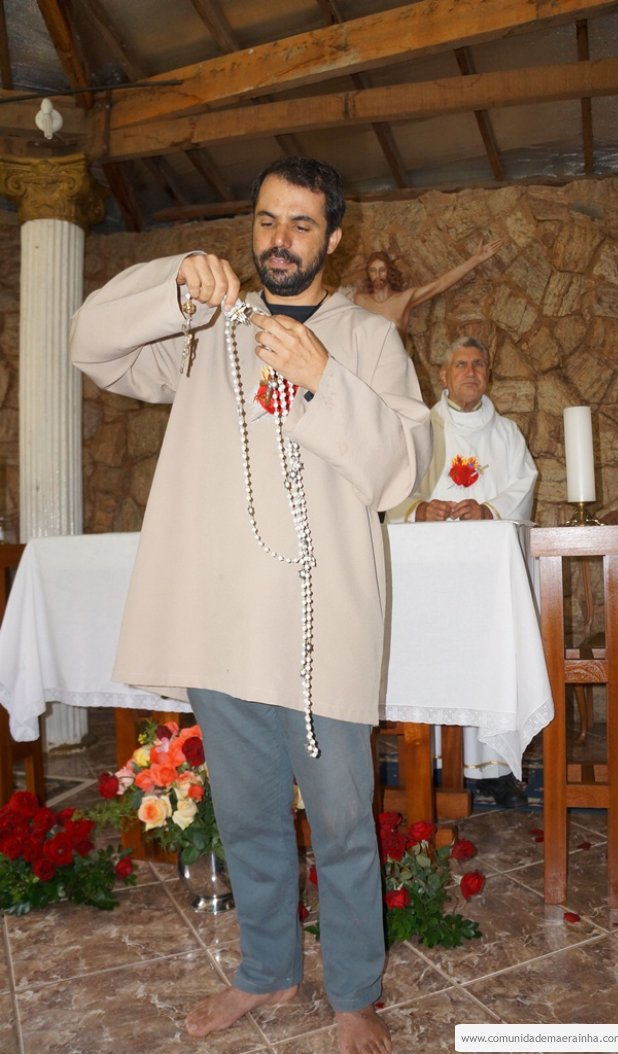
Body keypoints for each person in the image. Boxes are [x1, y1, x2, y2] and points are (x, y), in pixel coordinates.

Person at [70, 156, 432, 1054]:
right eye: (267, 220)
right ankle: (267, 970)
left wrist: (323, 376)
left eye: (301, 224)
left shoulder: (368, 341)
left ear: (333, 238)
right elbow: (89, 345)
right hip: (223, 620)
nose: (280, 239)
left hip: (321, 631)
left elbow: (403, 472)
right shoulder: (205, 329)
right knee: (247, 815)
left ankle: (354, 993)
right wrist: (173, 285)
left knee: (342, 822)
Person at [388, 336, 537, 807]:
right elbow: (392, 486)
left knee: (489, 656)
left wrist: (490, 509)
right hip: (429, 581)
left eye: (478, 364)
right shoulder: (420, 428)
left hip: (485, 584)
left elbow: (524, 484)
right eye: (461, 365)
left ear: (487, 375)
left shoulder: (507, 434)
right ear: (445, 375)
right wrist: (418, 510)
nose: (470, 372)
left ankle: (495, 768)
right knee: (432, 655)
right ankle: (428, 762)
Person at [349, 240, 502, 340]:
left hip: (394, 366)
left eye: (382, 270)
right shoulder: (359, 300)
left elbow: (441, 284)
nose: (377, 275)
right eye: (373, 271)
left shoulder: (403, 299)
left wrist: (476, 259)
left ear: (389, 272)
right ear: (368, 273)